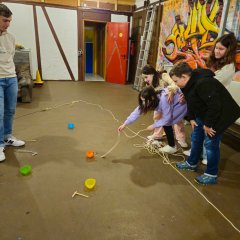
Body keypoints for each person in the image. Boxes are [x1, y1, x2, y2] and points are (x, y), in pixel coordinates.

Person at [169, 62, 240, 185]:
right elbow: (190, 100)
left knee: (210, 143)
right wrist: (191, 118)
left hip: (220, 115)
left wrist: (208, 125)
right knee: (196, 137)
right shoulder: (187, 84)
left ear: (184, 77)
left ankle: (211, 174)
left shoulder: (203, 83)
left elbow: (215, 106)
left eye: (176, 81)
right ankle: (192, 163)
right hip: (204, 113)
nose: (175, 84)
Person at [183, 33, 238, 164]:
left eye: (221, 49)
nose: (217, 51)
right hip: (206, 101)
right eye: (216, 48)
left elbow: (207, 83)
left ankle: (208, 157)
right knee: (198, 131)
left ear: (228, 51)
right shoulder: (214, 61)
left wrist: (191, 88)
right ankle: (198, 152)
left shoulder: (228, 68)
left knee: (212, 136)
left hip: (216, 103)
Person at [118, 86, 187, 154]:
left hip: (180, 105)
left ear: (152, 98)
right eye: (142, 100)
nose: (144, 103)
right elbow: (137, 111)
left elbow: (167, 118)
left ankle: (172, 146)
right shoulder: (152, 98)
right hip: (171, 104)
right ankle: (169, 143)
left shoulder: (163, 99)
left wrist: (154, 126)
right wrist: (125, 124)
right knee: (164, 121)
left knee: (167, 123)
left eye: (145, 101)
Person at [0, 4, 25, 162]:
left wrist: (12, 75)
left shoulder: (11, 38)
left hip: (11, 78)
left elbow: (10, 57)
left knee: (10, 110)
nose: (8, 24)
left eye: (9, 21)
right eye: (4, 20)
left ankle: (8, 136)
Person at [142, 65, 188, 148]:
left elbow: (175, 83)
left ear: (152, 74)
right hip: (162, 103)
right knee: (157, 116)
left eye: (146, 77)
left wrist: (171, 91)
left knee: (177, 120)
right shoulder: (150, 84)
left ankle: (181, 138)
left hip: (173, 101)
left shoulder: (163, 76)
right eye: (144, 78)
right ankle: (157, 134)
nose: (145, 80)